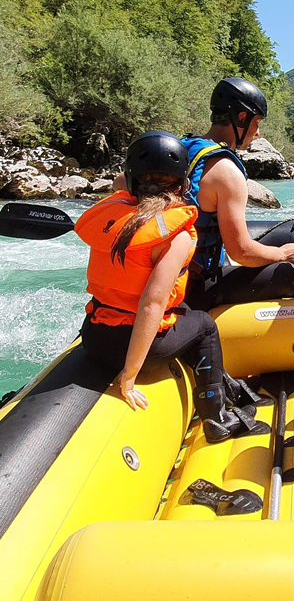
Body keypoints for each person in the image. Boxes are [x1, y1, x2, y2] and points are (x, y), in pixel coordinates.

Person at [76, 131, 269, 443]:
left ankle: (228, 385)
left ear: (130, 180)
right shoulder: (175, 235)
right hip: (132, 350)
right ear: (183, 184)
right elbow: (151, 304)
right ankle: (217, 418)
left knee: (183, 311)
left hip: (95, 336)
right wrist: (129, 375)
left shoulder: (112, 216)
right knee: (204, 325)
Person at [181, 76, 294, 310]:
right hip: (193, 288)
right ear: (242, 117)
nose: (257, 133)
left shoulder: (182, 147)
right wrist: (281, 254)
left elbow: (120, 182)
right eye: (257, 123)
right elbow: (241, 252)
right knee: (288, 274)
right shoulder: (226, 171)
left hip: (160, 275)